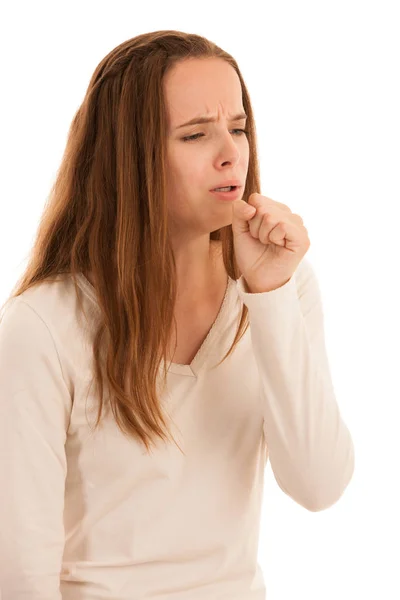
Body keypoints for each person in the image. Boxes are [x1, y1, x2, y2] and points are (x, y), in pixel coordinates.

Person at [0, 30, 355, 600]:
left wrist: (270, 295)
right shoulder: (43, 326)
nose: (230, 152)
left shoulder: (281, 287)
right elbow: (20, 577)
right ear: (128, 158)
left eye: (237, 128)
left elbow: (318, 483)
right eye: (195, 134)